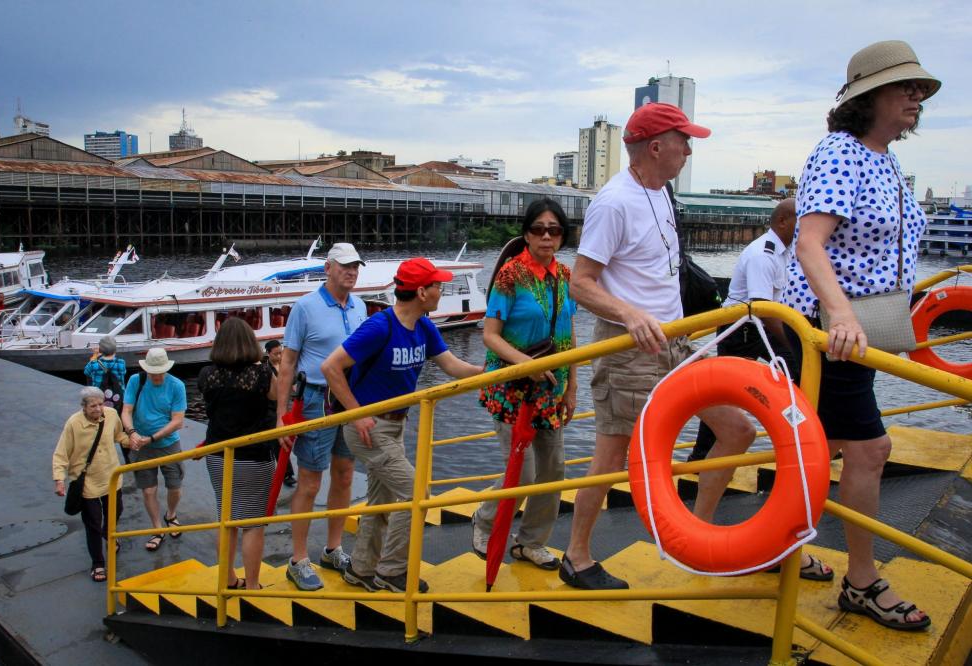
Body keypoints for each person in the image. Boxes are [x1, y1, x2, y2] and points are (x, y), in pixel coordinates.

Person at [563, 102, 756, 590]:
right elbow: (580, 283)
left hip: (675, 340)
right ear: (655, 147)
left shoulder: (662, 193)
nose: (689, 150)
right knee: (611, 457)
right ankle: (576, 556)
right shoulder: (614, 202)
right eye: (683, 140)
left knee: (737, 430)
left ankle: (698, 536)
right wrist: (630, 314)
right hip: (629, 346)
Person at [780, 40, 938, 631]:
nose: (917, 97)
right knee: (870, 449)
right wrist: (841, 314)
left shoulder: (885, 160)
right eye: (906, 87)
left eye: (920, 89)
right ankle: (862, 582)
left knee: (823, 447)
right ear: (870, 96)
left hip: (862, 330)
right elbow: (809, 243)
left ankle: (782, 546)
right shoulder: (841, 152)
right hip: (829, 334)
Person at [322, 258, 481, 593]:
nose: (441, 291)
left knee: (381, 501)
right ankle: (392, 570)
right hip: (369, 427)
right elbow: (330, 367)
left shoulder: (424, 327)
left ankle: (361, 569)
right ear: (422, 292)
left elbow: (453, 367)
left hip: (395, 425)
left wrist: (494, 372)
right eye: (437, 286)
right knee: (415, 493)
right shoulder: (380, 327)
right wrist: (356, 414)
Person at [471, 199, 578, 571]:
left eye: (554, 230)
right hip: (513, 388)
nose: (546, 236)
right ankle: (484, 519)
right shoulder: (510, 275)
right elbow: (490, 335)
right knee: (523, 471)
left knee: (554, 470)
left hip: (551, 388)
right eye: (538, 229)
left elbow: (569, 334)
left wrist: (572, 387)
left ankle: (530, 542)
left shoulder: (564, 275)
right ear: (527, 234)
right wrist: (524, 364)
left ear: (562, 235)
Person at [276, 243, 367, 591]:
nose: (351, 272)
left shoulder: (359, 306)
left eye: (355, 266)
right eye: (345, 266)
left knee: (344, 474)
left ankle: (333, 549)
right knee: (310, 480)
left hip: (348, 396)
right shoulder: (305, 307)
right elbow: (287, 363)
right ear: (328, 268)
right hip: (315, 397)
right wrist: (282, 415)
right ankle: (298, 559)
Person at [687, 200, 800, 460]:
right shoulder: (763, 254)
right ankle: (700, 455)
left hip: (763, 325)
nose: (806, 224)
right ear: (783, 221)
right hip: (743, 328)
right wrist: (794, 341)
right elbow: (762, 307)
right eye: (800, 218)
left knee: (800, 374)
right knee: (726, 391)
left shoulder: (787, 251)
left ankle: (804, 441)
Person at [199, 318, 279, 590]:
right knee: (253, 524)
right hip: (254, 455)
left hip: (217, 453)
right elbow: (278, 396)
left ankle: (229, 579)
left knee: (227, 519)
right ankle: (252, 584)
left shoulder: (207, 374)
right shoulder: (262, 374)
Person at [53, 386, 129, 582]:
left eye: (100, 404)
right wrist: (59, 479)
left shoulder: (111, 414)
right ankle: (97, 563)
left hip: (111, 476)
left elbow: (118, 435)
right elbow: (61, 453)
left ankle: (109, 534)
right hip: (88, 482)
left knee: (116, 512)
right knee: (93, 523)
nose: (98, 409)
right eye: (93, 406)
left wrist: (130, 441)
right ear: (84, 407)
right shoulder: (74, 423)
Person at [121, 347, 187, 552]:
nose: (157, 376)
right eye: (153, 372)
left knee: (174, 487)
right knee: (148, 489)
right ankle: (157, 528)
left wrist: (152, 438)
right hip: (142, 445)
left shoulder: (177, 385)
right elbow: (126, 410)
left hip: (168, 444)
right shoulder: (136, 381)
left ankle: (171, 514)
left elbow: (177, 421)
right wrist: (132, 433)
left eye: (160, 372)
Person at [264, 339, 296, 488]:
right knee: (278, 441)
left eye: (280, 353)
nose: (279, 356)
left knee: (282, 439)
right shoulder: (265, 370)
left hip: (284, 407)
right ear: (268, 354)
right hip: (270, 409)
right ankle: (287, 474)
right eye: (276, 354)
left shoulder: (285, 366)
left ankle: (285, 472)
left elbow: (294, 385)